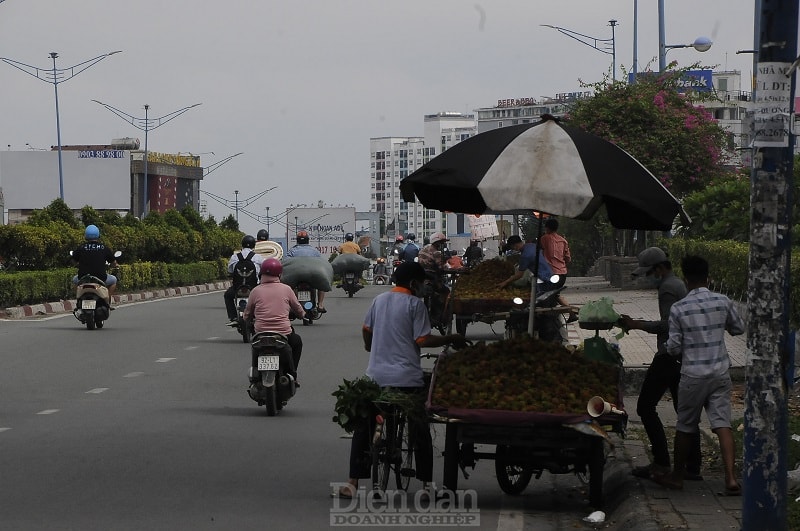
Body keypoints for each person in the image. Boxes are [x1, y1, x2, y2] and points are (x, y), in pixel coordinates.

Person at [336, 262, 467, 499]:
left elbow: (366, 329)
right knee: (419, 428)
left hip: (375, 378)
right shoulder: (415, 305)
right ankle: (427, 486)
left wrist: (370, 346)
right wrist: (452, 337)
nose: (425, 288)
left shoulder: (379, 300)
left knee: (363, 426)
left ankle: (352, 482)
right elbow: (423, 341)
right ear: (413, 283)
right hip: (407, 379)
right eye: (423, 284)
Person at [655, 255, 745, 494]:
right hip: (719, 372)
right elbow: (738, 328)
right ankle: (731, 479)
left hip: (692, 374)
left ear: (685, 279)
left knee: (685, 426)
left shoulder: (679, 308)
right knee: (722, 424)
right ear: (708, 277)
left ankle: (677, 476)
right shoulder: (722, 301)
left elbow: (673, 346)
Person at [618, 247, 702, 481]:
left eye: (650, 272)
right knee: (684, 410)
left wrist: (637, 324)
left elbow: (668, 325)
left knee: (645, 407)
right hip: (686, 353)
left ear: (660, 268)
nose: (648, 277)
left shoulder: (667, 288)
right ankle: (692, 466)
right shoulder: (681, 285)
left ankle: (662, 462)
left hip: (669, 353)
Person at [243, 258, 304, 382]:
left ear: (262, 273)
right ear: (279, 274)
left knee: (255, 348)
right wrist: (302, 314)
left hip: (260, 334)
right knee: (297, 342)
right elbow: (297, 308)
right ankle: (292, 374)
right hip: (283, 333)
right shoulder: (286, 289)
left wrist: (247, 318)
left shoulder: (255, 291)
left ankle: (255, 373)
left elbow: (247, 313)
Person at [539, 218, 578, 323]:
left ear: (547, 227)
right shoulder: (563, 240)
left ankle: (549, 320)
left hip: (551, 274)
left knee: (546, 295)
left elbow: (539, 250)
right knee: (555, 294)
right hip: (562, 273)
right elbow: (568, 258)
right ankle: (571, 313)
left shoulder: (545, 238)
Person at [224, 235, 265, 326]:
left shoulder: (235, 257)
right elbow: (264, 270)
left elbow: (230, 270)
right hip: (254, 287)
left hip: (237, 287)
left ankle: (233, 317)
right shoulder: (258, 257)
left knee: (227, 296)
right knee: (263, 298)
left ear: (242, 245)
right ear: (254, 246)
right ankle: (261, 317)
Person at [72, 224, 119, 299]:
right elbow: (114, 263)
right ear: (98, 235)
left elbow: (74, 261)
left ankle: (78, 298)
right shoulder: (104, 248)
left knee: (74, 280)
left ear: (86, 235)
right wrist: (114, 266)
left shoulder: (81, 247)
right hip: (101, 278)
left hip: (83, 278)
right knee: (114, 280)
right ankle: (107, 299)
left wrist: (79, 265)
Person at [286, 230, 327, 312]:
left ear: (297, 240)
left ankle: (291, 305)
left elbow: (285, 263)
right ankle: (320, 304)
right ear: (307, 240)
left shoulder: (292, 251)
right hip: (312, 275)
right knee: (322, 285)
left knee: (288, 288)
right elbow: (321, 263)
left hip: (296, 276)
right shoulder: (314, 251)